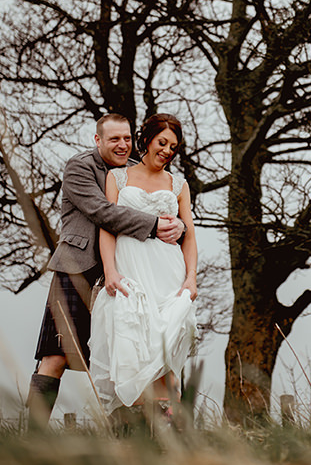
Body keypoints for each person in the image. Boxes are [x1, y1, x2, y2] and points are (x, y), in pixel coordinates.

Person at [26, 113, 184, 427]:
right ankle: (34, 437)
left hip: (124, 275)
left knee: (125, 360)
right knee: (55, 357)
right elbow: (103, 213)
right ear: (97, 140)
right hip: (78, 270)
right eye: (114, 139)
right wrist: (155, 225)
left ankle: (131, 439)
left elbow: (164, 204)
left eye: (127, 138)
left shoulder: (133, 171)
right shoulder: (80, 167)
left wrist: (177, 222)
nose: (122, 145)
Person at [88, 113, 198, 418]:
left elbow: (189, 236)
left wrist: (191, 279)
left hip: (168, 272)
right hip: (131, 269)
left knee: (164, 341)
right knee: (133, 337)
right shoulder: (118, 178)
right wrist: (110, 270)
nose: (167, 150)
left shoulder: (178, 185)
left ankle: (168, 420)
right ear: (147, 140)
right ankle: (135, 420)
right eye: (162, 142)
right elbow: (107, 227)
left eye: (173, 147)